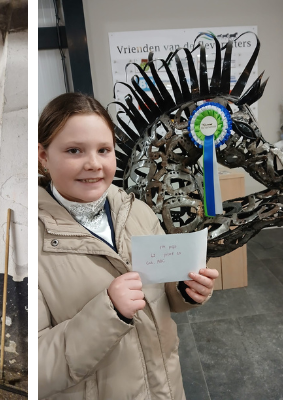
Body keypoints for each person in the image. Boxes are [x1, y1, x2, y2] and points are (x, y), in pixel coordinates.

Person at [37, 92, 218, 399]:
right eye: (74, 150)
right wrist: (109, 312)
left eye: (103, 150)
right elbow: (38, 370)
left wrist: (185, 289)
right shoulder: (35, 242)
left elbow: (164, 293)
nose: (93, 164)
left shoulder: (138, 213)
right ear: (43, 156)